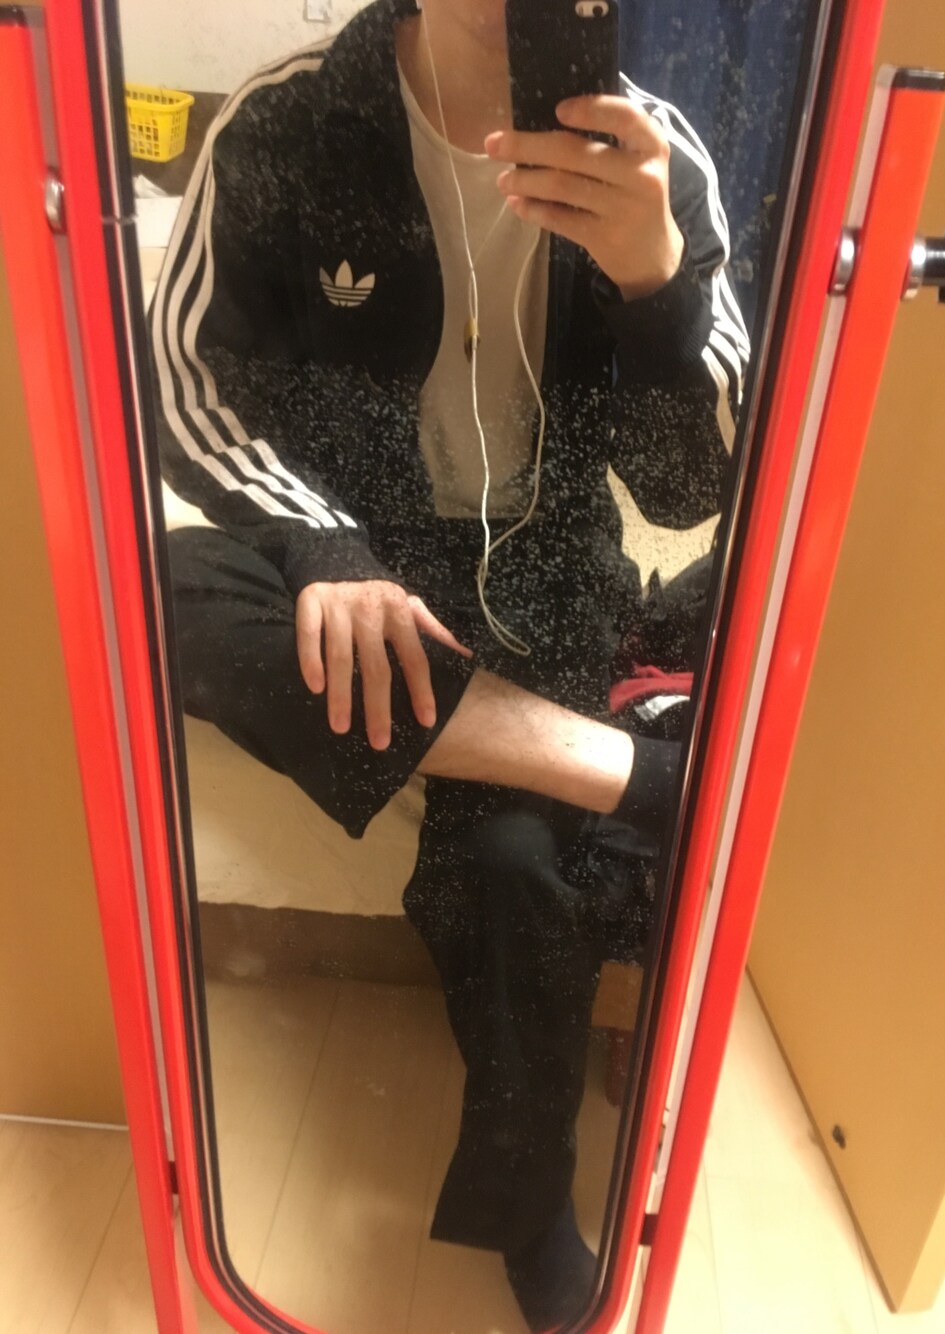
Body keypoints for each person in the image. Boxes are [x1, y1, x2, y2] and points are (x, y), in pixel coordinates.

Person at [151, 0, 747, 1326]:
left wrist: (658, 286)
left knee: (519, 867)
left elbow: (699, 483)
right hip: (363, 559)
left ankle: (528, 1211)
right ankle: (643, 774)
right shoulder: (290, 119)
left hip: (554, 567)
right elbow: (186, 384)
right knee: (163, 586)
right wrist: (319, 543)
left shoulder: (659, 155)